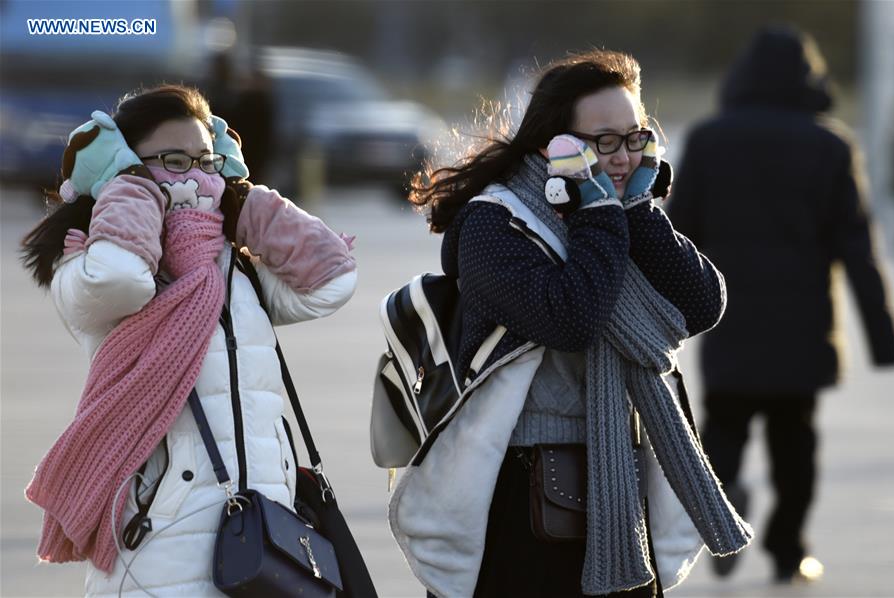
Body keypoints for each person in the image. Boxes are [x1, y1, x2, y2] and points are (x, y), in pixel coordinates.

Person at [392, 49, 753, 598]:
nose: (624, 157)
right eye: (603, 141)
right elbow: (572, 318)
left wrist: (637, 214)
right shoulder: (496, 223)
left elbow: (704, 302)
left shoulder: (621, 210)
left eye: (635, 137)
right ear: (553, 144)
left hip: (619, 488)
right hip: (517, 494)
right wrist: (602, 218)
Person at [21, 84, 357, 595]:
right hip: (162, 543)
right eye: (174, 161)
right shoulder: (87, 264)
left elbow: (331, 282)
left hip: (264, 536)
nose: (197, 178)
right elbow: (122, 280)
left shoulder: (238, 269)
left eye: (207, 161)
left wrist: (253, 209)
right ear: (124, 167)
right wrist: (131, 190)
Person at [666, 26, 894, 583]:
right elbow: (857, 248)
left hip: (729, 324)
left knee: (722, 432)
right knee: (795, 444)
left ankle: (723, 530)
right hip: (802, 329)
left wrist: (656, 314)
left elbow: (675, 232)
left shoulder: (708, 140)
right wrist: (883, 338)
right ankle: (788, 547)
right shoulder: (830, 145)